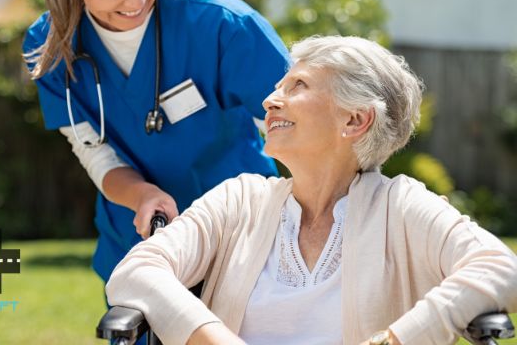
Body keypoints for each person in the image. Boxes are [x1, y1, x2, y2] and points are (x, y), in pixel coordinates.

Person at [106, 35, 517, 345]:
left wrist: (396, 339)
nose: (269, 100)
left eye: (297, 86)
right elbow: (136, 271)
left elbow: (501, 268)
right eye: (278, 86)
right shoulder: (239, 200)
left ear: (355, 120)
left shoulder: (402, 207)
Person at [22, 0, 290, 283]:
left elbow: (301, 128)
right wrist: (142, 196)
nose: (136, 0)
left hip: (242, 239)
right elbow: (95, 153)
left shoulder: (222, 27)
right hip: (139, 244)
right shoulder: (50, 48)